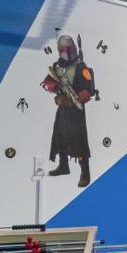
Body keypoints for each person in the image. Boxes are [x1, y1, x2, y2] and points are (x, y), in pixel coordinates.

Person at [40, 34, 95, 187]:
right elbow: (46, 83)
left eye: (66, 49)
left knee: (79, 141)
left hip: (76, 111)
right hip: (62, 110)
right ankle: (63, 166)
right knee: (59, 136)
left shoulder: (81, 67)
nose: (64, 52)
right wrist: (56, 88)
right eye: (62, 49)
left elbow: (89, 89)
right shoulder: (57, 66)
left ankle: (85, 173)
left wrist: (76, 99)